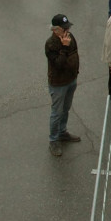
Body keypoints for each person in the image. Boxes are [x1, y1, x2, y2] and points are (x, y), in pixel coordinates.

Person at [45, 14, 81, 156]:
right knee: (56, 112)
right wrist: (64, 47)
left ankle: (62, 132)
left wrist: (75, 73)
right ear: (56, 30)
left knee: (65, 109)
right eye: (65, 28)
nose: (68, 31)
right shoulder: (51, 44)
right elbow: (58, 64)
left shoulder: (70, 37)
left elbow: (75, 55)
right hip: (58, 83)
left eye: (68, 27)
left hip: (71, 80)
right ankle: (53, 140)